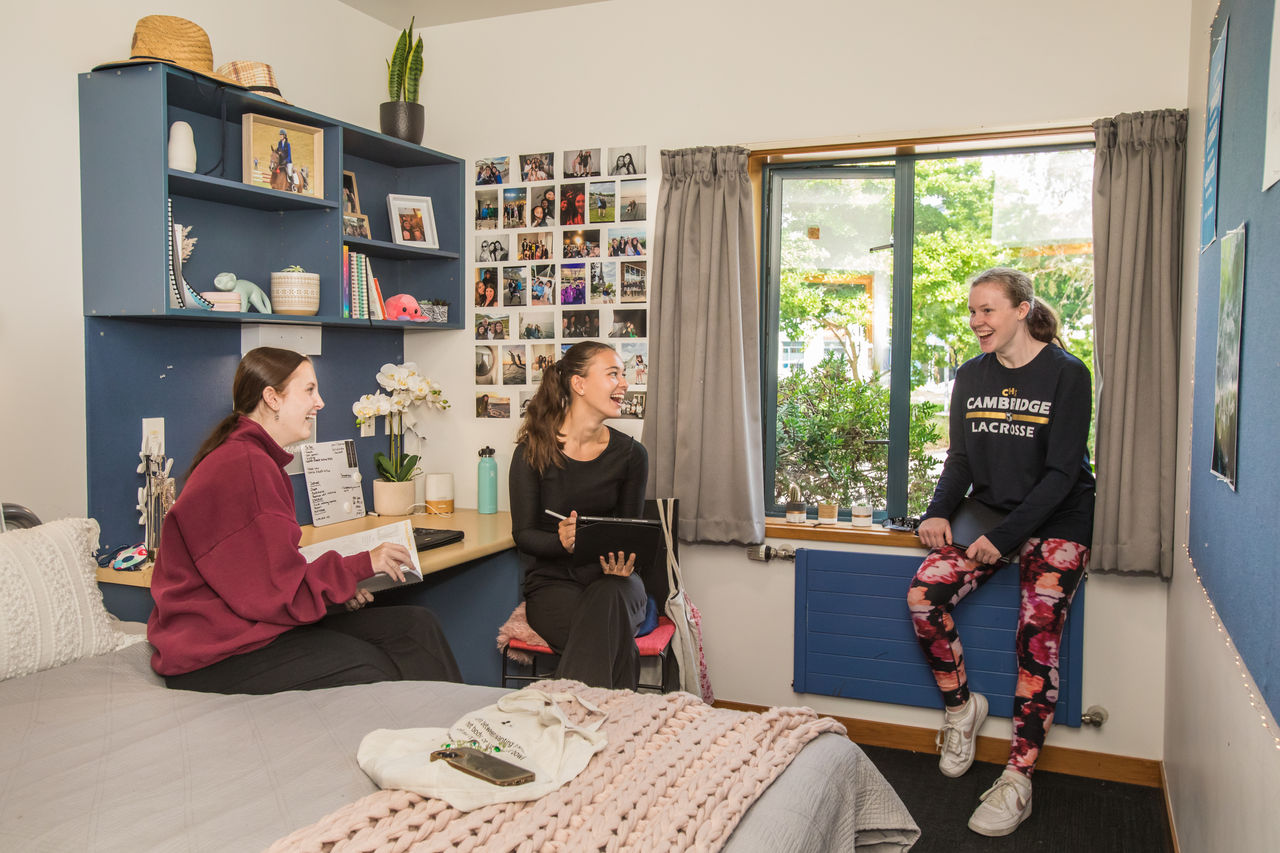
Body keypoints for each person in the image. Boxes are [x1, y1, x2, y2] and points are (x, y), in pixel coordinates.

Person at [146, 347, 462, 694]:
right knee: (370, 665)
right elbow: (275, 590)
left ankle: (453, 743)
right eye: (309, 390)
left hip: (251, 623)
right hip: (215, 652)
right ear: (272, 398)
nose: (320, 402)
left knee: (416, 628)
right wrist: (360, 566)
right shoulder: (244, 466)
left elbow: (266, 576)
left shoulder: (254, 459)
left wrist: (338, 589)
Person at [907, 267, 1095, 837]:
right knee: (923, 598)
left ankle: (1018, 778)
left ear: (1021, 310)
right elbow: (960, 460)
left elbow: (1063, 472)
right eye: (972, 311)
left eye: (987, 311)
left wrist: (1006, 539)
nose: (975, 322)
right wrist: (938, 510)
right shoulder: (971, 374)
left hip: (1058, 520)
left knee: (1035, 639)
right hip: (988, 516)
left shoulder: (1067, 374)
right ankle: (963, 709)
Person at [508, 341, 648, 689]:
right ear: (579, 384)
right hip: (554, 584)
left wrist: (625, 562)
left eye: (624, 374)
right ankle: (618, 722)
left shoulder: (632, 455)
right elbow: (524, 535)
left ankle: (567, 719)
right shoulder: (533, 451)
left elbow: (631, 534)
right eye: (613, 374)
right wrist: (562, 541)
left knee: (610, 597)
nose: (624, 383)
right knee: (611, 637)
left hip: (615, 582)